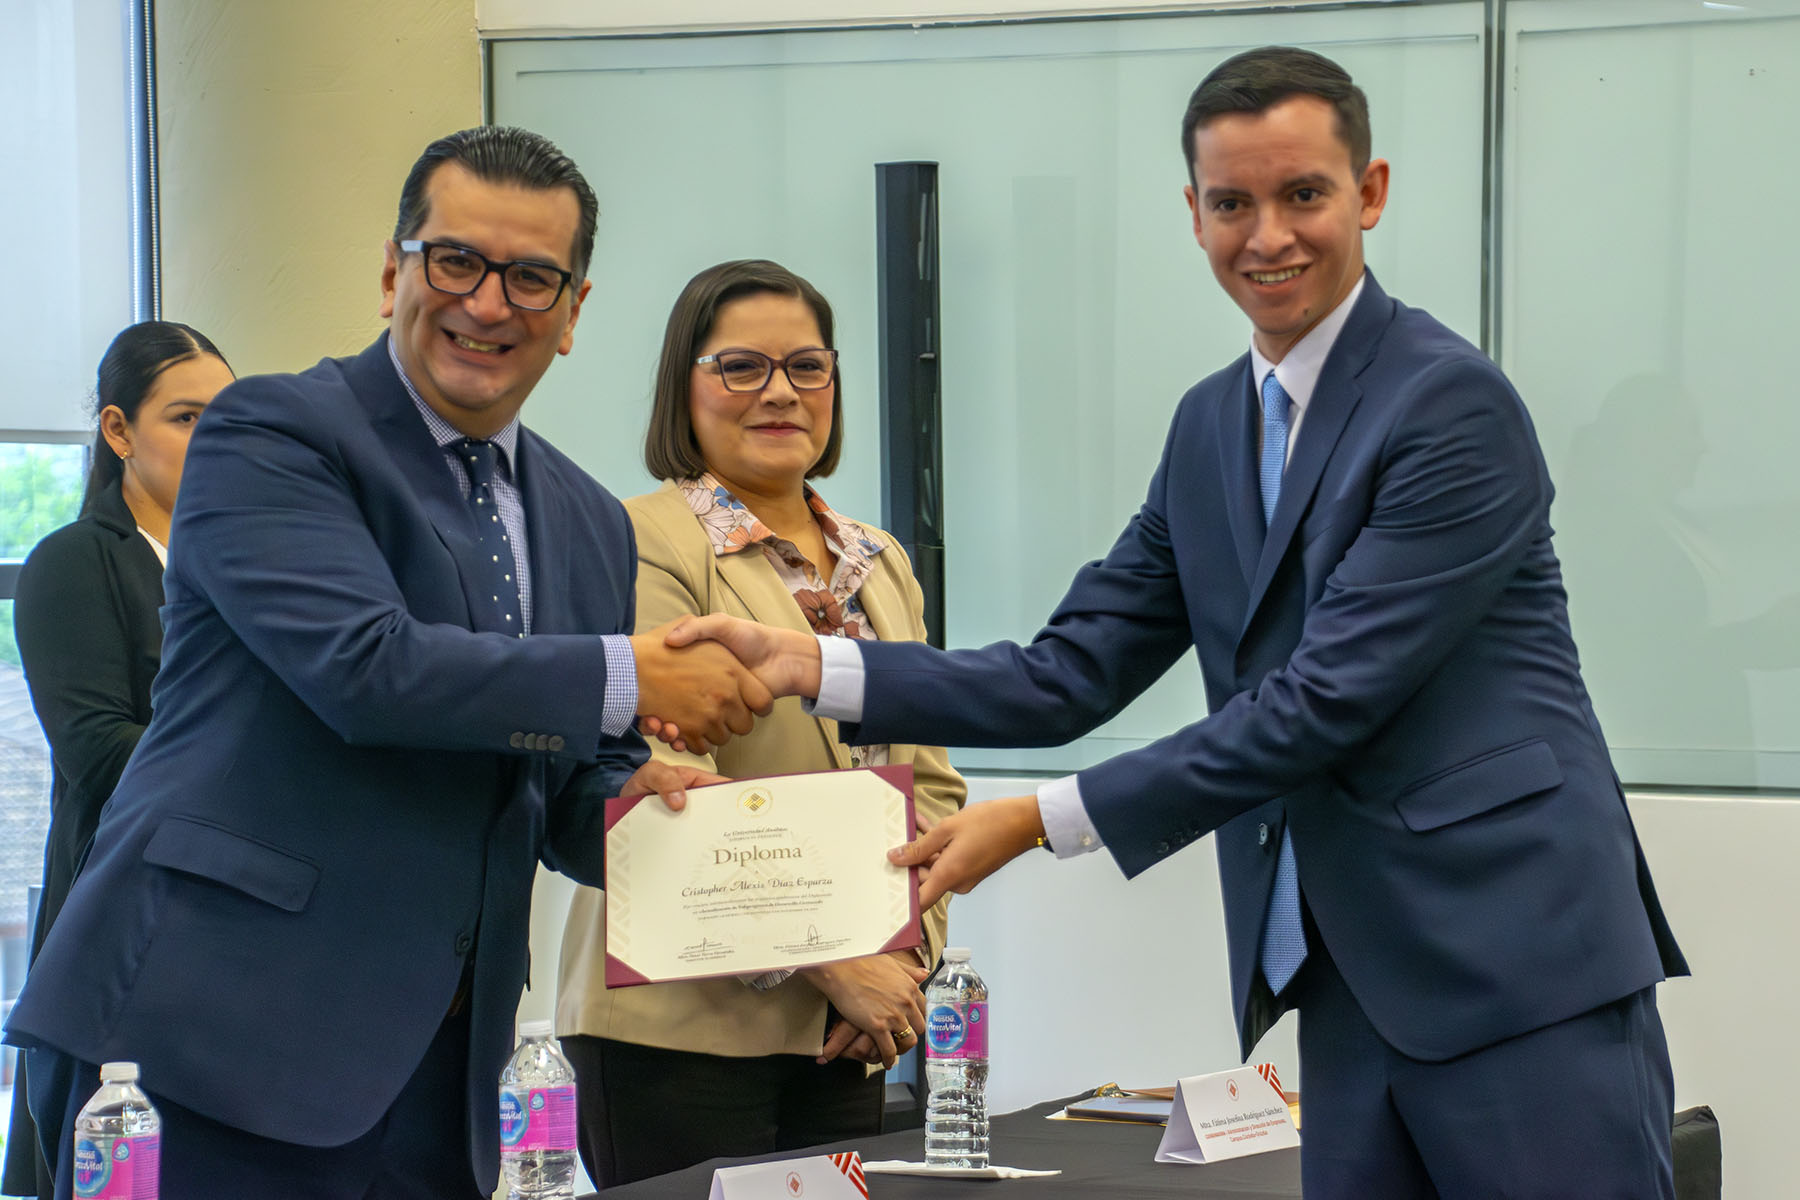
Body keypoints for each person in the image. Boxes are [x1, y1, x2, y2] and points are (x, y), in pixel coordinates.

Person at [663, 47, 1690, 1199]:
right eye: (1233, 203)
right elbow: (1068, 672)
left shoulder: (1448, 403)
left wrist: (1041, 820)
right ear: (1191, 213)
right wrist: (814, 664)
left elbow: (1324, 700)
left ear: (1374, 192)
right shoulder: (1212, 424)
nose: (1269, 237)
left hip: (1518, 965)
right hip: (1345, 976)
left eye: (1304, 194)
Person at [2, 126, 771, 1200]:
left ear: (575, 313)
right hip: (209, 1043)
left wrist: (657, 809)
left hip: (442, 1072)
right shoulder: (272, 434)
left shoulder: (590, 520)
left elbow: (555, 782)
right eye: (454, 260)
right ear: (391, 272)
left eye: (533, 277)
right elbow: (367, 670)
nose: (489, 302)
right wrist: (634, 675)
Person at [555, 259, 966, 1187]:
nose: (780, 392)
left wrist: (901, 960)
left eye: (806, 367)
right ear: (684, 386)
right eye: (741, 367)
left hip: (853, 1023)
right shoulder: (639, 539)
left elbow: (930, 781)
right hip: (681, 1022)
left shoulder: (881, 559)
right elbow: (658, 781)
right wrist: (836, 960)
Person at [2, 321, 234, 1200]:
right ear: (118, 430)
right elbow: (101, 752)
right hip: (124, 931)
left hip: (242, 940)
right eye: (185, 417)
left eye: (229, 418)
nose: (213, 439)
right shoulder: (74, 563)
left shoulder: (259, 570)